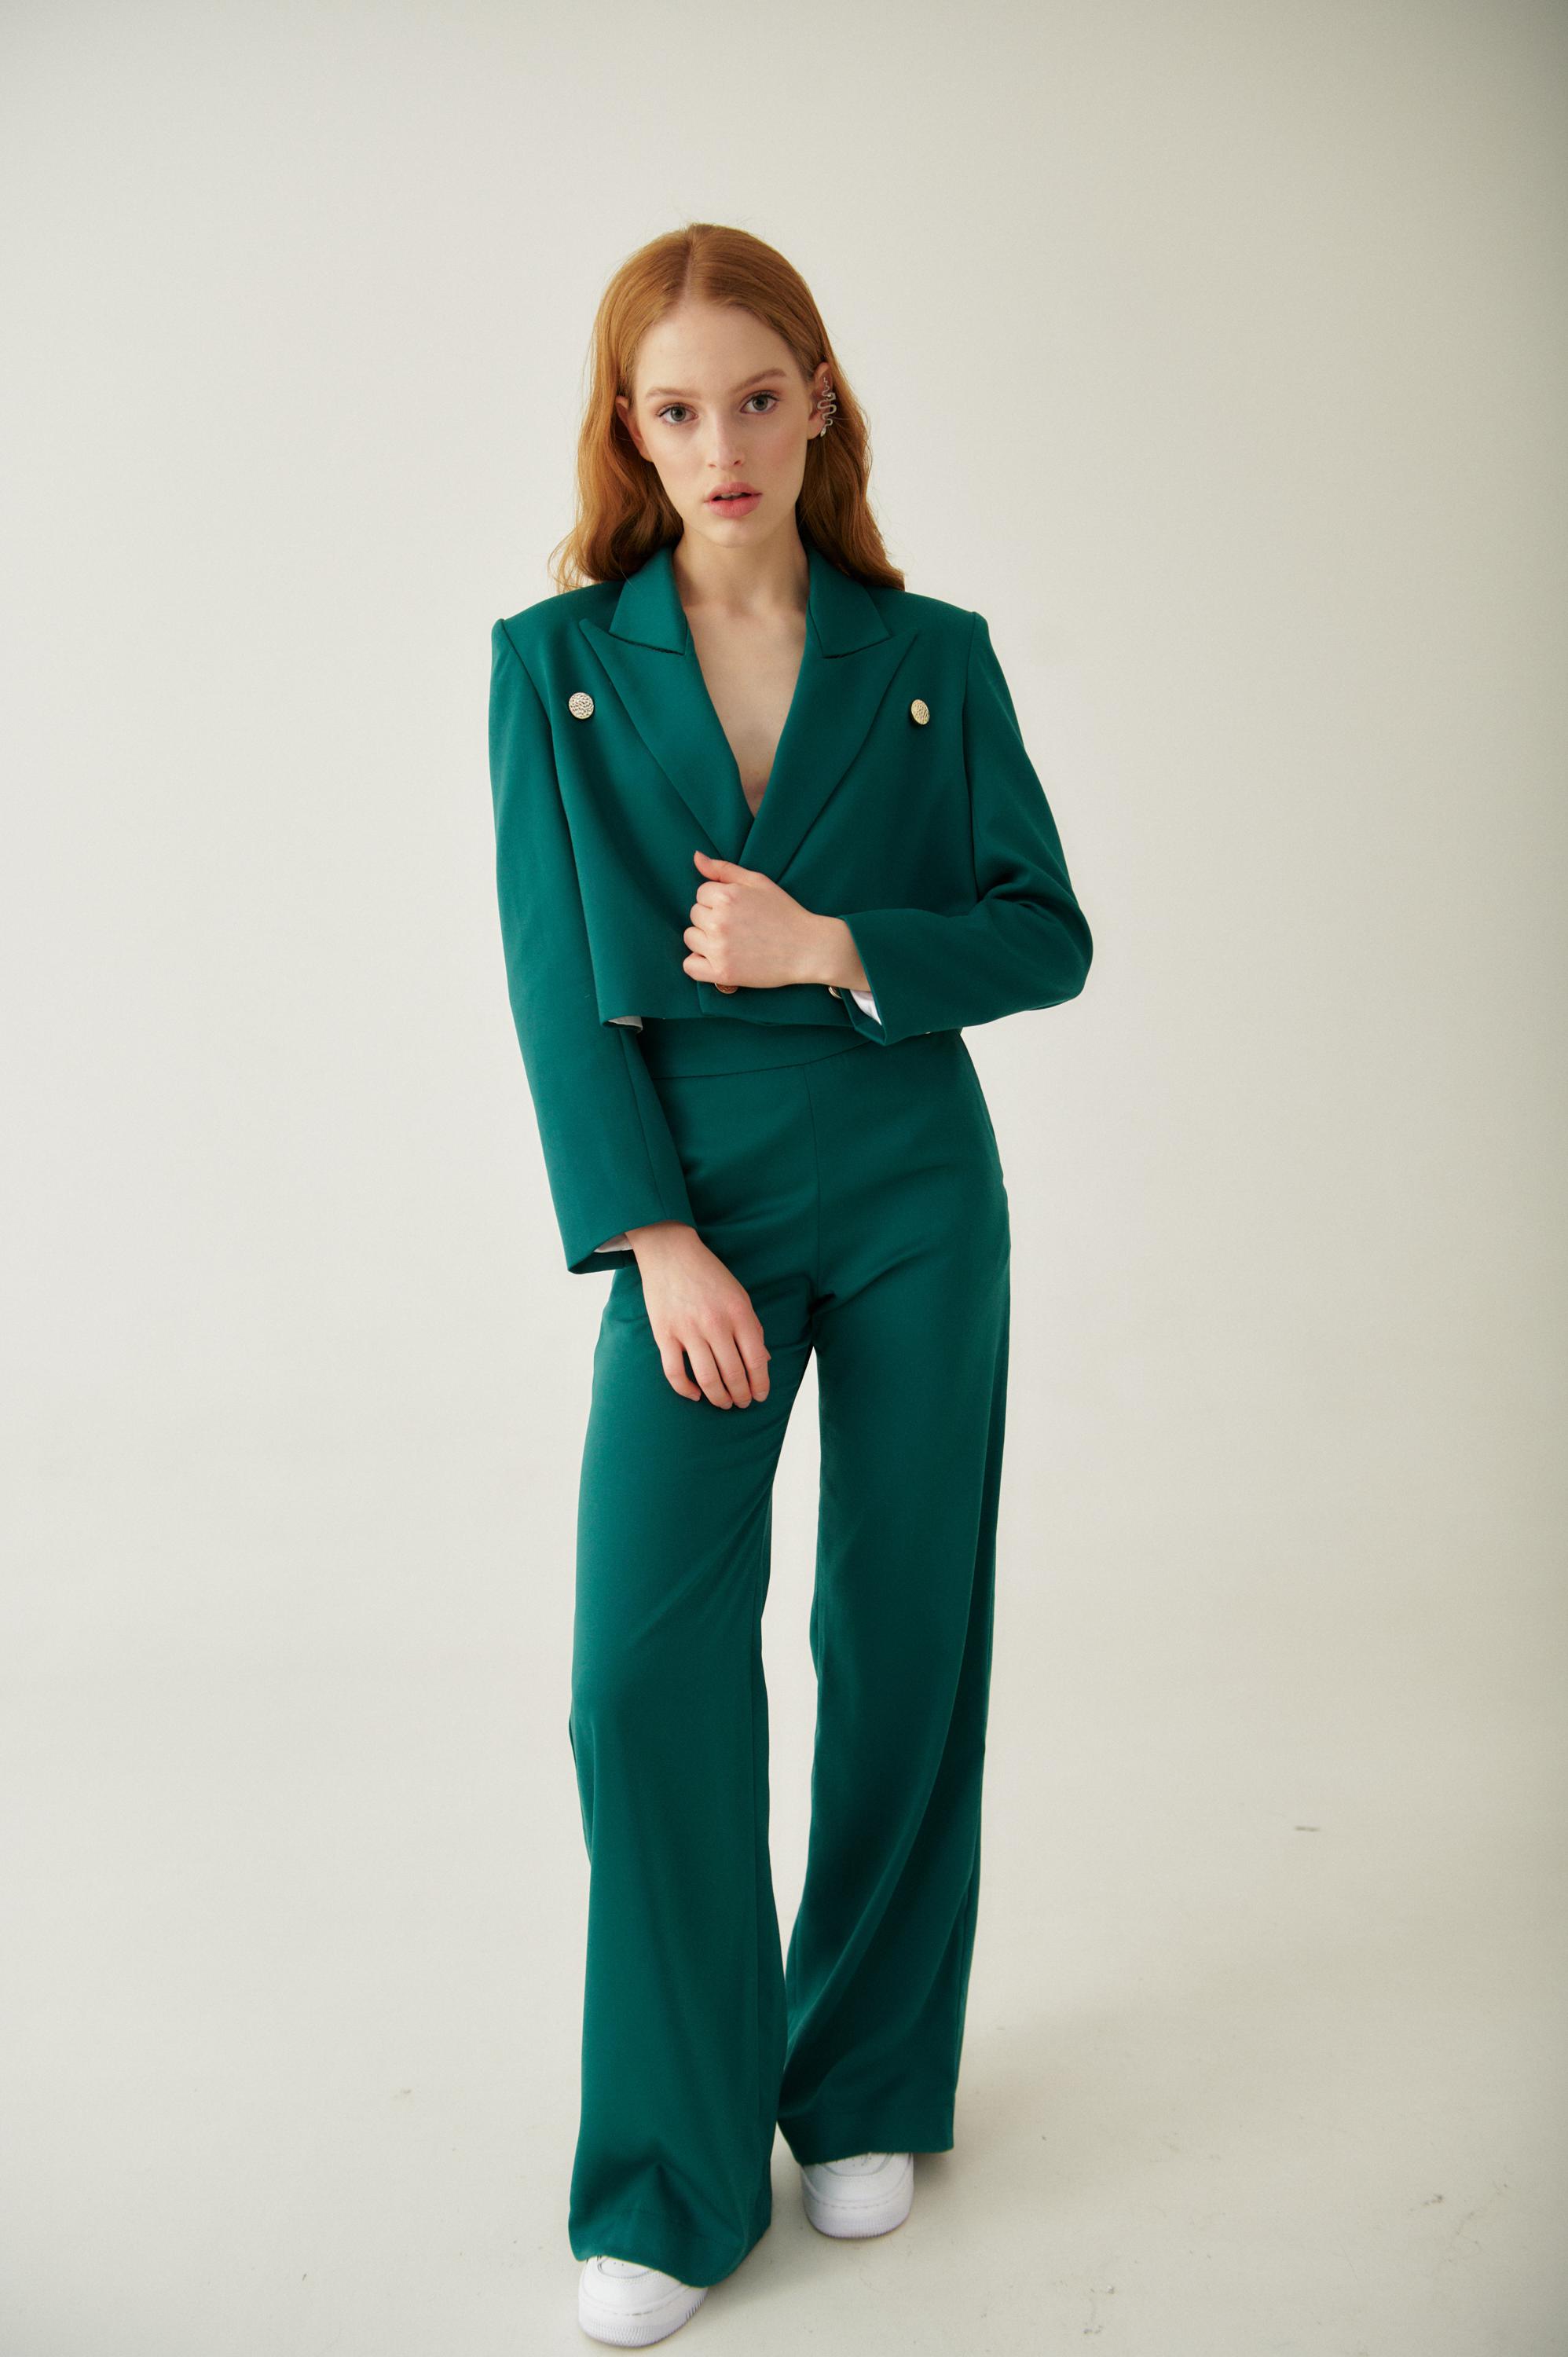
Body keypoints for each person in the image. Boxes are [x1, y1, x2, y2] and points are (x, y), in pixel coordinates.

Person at [485, 221, 1094, 2348]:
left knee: (901, 1632)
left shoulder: (934, 656)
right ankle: (670, 2170)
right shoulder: (552, 666)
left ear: (818, 401)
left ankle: (865, 2084)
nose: (722, 443)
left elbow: (1043, 932)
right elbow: (555, 982)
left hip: (916, 1179)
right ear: (628, 430)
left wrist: (833, 945)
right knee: (641, 1673)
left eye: (758, 396)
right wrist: (655, 1240)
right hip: (697, 1201)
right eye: (677, 409)